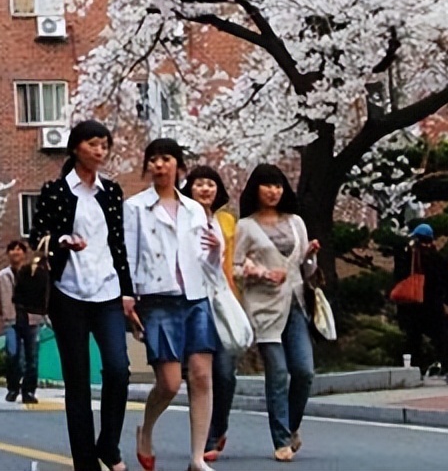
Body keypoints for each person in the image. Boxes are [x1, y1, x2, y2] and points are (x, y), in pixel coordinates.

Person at [31, 119, 135, 471]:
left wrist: (127, 291)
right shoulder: (55, 191)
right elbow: (38, 235)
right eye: (93, 144)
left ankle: (108, 443)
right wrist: (63, 240)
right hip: (69, 293)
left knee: (119, 370)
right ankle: (85, 463)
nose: (100, 151)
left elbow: (118, 244)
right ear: (76, 147)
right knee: (77, 383)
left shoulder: (112, 191)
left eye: (104, 145)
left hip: (106, 291)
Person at [124, 140, 222, 471]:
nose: (158, 165)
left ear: (178, 166)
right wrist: (129, 297)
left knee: (201, 376)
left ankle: (196, 457)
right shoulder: (136, 207)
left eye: (165, 159)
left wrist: (215, 252)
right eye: (152, 160)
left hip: (195, 296)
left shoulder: (195, 209)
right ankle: (146, 430)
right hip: (157, 298)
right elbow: (128, 255)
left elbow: (209, 265)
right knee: (168, 382)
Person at [233, 164, 320, 463]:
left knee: (304, 371)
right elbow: (235, 268)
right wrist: (260, 273)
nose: (273, 191)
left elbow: (306, 269)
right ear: (255, 189)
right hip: (265, 309)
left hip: (295, 304)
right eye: (267, 185)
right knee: (278, 373)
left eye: (278, 185)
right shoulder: (245, 226)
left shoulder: (296, 222)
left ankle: (291, 425)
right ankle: (281, 439)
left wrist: (310, 257)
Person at [182, 166, 241, 464]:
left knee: (225, 372)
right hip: (193, 301)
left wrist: (236, 302)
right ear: (189, 188)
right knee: (199, 374)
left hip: (220, 299)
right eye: (199, 184)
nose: (205, 189)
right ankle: (204, 438)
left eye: (211, 184)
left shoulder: (225, 221)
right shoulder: (182, 219)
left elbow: (226, 265)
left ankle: (219, 427)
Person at [393, 224, 448, 378]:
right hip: (434, 305)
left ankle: (413, 370)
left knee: (413, 338)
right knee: (441, 338)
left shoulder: (408, 257)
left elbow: (398, 277)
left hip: (413, 305)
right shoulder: (438, 258)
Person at [0, 239, 46, 404]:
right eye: (12, 249)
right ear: (8, 253)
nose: (16, 252)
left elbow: (43, 295)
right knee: (12, 354)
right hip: (11, 320)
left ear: (24, 253)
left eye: (19, 249)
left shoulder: (33, 272)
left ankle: (29, 390)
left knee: (32, 357)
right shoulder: (2, 276)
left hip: (31, 319)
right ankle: (13, 388)